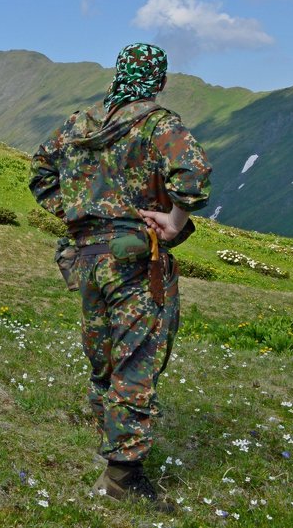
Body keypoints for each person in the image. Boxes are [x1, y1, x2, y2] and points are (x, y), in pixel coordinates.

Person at [29, 42, 211, 507]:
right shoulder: (159, 125)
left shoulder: (77, 124)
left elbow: (41, 172)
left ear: (117, 75)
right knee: (137, 359)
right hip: (135, 260)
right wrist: (172, 223)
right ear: (160, 81)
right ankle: (123, 476)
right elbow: (194, 177)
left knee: (103, 351)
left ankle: (106, 434)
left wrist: (76, 215)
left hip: (86, 259)